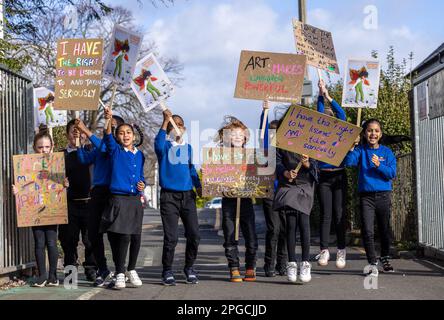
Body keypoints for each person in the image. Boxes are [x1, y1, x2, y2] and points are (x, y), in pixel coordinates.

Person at [12, 130, 68, 287]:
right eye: (40, 147)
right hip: (34, 210)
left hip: (52, 209)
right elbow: (24, 185)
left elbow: (60, 185)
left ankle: (53, 276)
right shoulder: (27, 165)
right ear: (34, 148)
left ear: (52, 147)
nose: (43, 150)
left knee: (51, 241)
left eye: (47, 147)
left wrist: (65, 185)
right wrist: (17, 191)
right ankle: (42, 275)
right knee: (38, 242)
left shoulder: (57, 164)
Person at [343, 119, 397, 277]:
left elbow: (392, 174)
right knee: (367, 231)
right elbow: (349, 162)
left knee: (384, 230)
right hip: (366, 197)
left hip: (383, 196)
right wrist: (352, 146)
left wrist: (379, 165)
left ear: (380, 134)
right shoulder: (361, 150)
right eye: (369, 130)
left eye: (376, 131)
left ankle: (385, 257)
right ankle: (372, 263)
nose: (373, 133)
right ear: (365, 133)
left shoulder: (386, 152)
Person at [154, 109, 201, 286]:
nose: (177, 128)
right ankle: (167, 270)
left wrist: (199, 186)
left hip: (188, 196)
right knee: (171, 237)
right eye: (173, 125)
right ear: (168, 129)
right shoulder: (164, 147)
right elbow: (158, 144)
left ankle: (189, 268)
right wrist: (165, 121)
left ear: (185, 129)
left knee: (194, 235)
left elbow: (191, 169)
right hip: (169, 197)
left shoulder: (188, 148)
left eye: (179, 125)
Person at [101, 107, 146, 289]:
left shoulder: (140, 154)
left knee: (136, 235)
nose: (125, 135)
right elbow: (107, 136)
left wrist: (143, 184)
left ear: (134, 136)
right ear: (117, 136)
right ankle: (120, 272)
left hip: (135, 200)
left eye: (128, 132)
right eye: (121, 133)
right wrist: (108, 120)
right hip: (119, 199)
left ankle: (132, 269)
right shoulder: (115, 151)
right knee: (123, 236)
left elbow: (141, 176)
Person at [273, 112, 319, 283]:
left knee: (304, 224)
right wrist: (285, 172)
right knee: (291, 225)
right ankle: (292, 262)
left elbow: (316, 167)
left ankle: (305, 263)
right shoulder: (280, 142)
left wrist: (307, 163)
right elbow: (276, 162)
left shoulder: (311, 142)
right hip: (289, 185)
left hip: (305, 186)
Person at [216, 116, 258, 282]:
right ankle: (234, 267)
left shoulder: (252, 155)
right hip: (228, 201)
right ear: (227, 137)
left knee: (251, 237)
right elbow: (215, 180)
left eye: (241, 134)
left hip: (246, 200)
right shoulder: (220, 156)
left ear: (246, 136)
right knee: (230, 236)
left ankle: (250, 266)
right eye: (233, 134)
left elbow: (261, 178)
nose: (238, 137)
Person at [59, 120, 97, 282]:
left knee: (90, 240)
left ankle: (91, 269)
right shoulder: (61, 155)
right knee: (69, 240)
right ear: (67, 134)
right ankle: (70, 270)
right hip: (69, 204)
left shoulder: (91, 151)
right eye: (72, 131)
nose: (76, 133)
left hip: (89, 203)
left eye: (79, 131)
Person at [315, 79, 348, 269]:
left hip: (339, 175)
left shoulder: (340, 131)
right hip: (324, 176)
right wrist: (320, 94)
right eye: (324, 117)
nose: (327, 119)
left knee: (339, 215)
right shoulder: (318, 133)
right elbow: (320, 111)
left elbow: (342, 114)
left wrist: (328, 96)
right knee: (326, 215)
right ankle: (325, 250)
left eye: (330, 117)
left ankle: (341, 251)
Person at [259, 102, 287, 277]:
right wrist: (265, 110)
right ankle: (269, 264)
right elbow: (263, 128)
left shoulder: (286, 148)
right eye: (271, 132)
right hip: (269, 192)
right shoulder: (266, 147)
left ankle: (282, 265)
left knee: (285, 229)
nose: (273, 135)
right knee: (274, 229)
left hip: (285, 192)